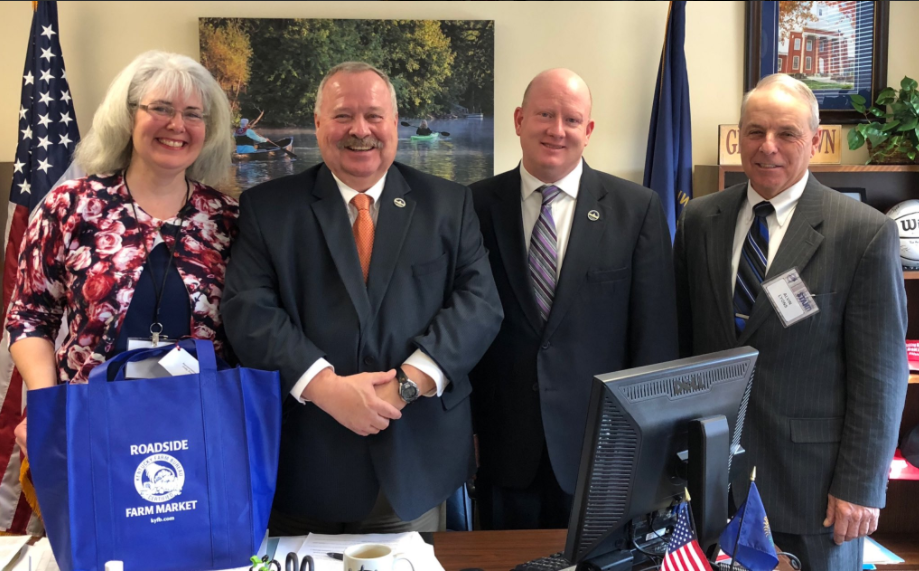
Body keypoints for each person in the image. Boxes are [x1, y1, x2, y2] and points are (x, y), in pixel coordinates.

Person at [221, 61, 503, 534]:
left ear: (394, 124)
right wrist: (325, 388)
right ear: (317, 125)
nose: (360, 130)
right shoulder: (268, 208)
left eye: (374, 116)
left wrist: (407, 385)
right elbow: (250, 311)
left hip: (415, 462)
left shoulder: (449, 204)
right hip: (307, 463)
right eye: (342, 115)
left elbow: (479, 305)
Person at [674, 74, 908, 571]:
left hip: (814, 491)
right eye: (755, 132)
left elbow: (881, 377)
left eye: (787, 133)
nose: (768, 148)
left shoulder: (864, 233)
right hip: (713, 484)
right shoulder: (699, 219)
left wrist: (861, 486)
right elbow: (682, 345)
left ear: (815, 140)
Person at [469, 68, 678, 530]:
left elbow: (654, 340)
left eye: (571, 119)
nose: (556, 130)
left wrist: (646, 447)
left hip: (602, 452)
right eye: (545, 114)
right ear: (520, 119)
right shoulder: (472, 207)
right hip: (504, 449)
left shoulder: (637, 209)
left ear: (588, 131)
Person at [7, 50, 237, 457]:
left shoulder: (227, 220)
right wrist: (47, 405)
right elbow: (29, 316)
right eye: (161, 108)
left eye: (193, 114)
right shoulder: (70, 205)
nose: (177, 125)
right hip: (91, 427)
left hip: (203, 432)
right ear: (128, 116)